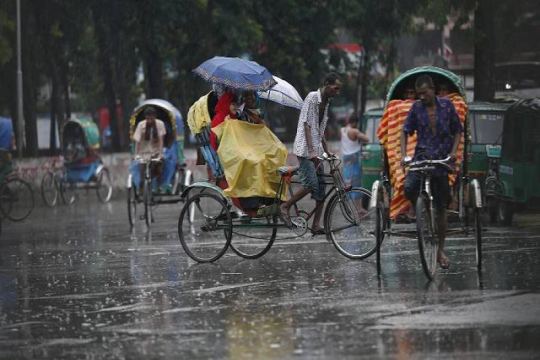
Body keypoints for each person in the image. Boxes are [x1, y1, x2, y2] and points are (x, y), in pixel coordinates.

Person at [400, 74, 463, 269]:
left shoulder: (447, 106)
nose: (421, 97)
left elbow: (458, 130)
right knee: (409, 186)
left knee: (442, 207)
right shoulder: (416, 108)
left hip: (441, 160)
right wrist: (404, 155)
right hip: (422, 157)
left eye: (424, 93)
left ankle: (440, 250)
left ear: (432, 90)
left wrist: (453, 153)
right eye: (418, 94)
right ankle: (421, 210)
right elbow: (404, 131)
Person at [280, 72, 342, 235]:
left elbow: (319, 131)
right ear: (326, 84)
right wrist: (312, 152)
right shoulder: (312, 97)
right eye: (335, 88)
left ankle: (315, 225)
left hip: (316, 151)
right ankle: (284, 206)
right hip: (304, 150)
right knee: (310, 185)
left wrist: (327, 151)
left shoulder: (326, 103)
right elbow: (307, 125)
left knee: (321, 189)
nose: (337, 92)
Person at [133, 106, 167, 193]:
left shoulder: (160, 124)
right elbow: (137, 141)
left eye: (151, 119)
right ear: (145, 118)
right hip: (144, 153)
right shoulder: (141, 125)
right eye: (148, 119)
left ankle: (159, 186)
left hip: (156, 152)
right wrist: (136, 154)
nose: (150, 121)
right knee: (142, 169)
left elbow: (161, 140)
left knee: (159, 166)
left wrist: (160, 153)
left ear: (155, 117)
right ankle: (141, 186)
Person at [341, 114, 370, 212]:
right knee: (356, 184)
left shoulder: (342, 130)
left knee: (348, 183)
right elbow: (367, 139)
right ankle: (359, 208)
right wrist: (364, 133)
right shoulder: (354, 131)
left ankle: (348, 208)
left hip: (346, 160)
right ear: (356, 123)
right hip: (354, 160)